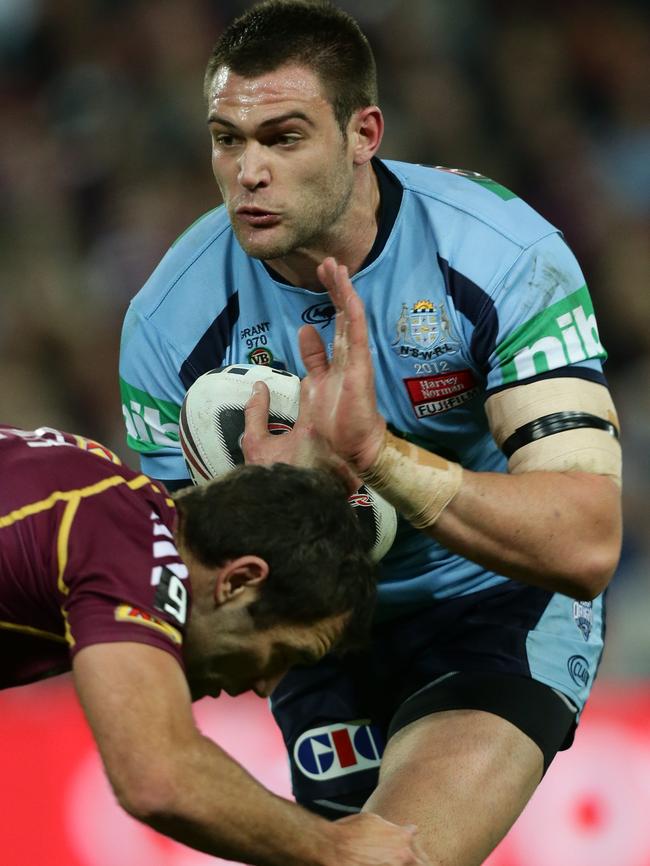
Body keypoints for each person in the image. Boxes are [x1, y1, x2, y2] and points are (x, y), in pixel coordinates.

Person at [118, 1, 623, 863]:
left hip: (489, 606)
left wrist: (375, 458)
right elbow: (201, 597)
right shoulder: (168, 328)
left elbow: (585, 541)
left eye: (282, 137)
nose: (248, 172)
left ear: (365, 133)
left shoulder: (502, 256)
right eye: (227, 139)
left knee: (398, 856)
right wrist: (287, 509)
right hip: (315, 633)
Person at [0, 423, 430, 866]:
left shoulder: (103, 491)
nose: (265, 686)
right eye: (282, 654)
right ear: (239, 581)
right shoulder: (128, 548)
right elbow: (159, 778)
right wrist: (339, 848)